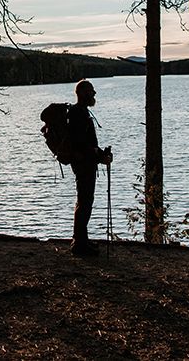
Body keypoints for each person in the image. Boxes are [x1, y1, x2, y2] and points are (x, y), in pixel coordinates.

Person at [67, 79, 112, 257]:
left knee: (85, 201)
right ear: (83, 93)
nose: (94, 94)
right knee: (84, 202)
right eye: (91, 91)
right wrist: (100, 156)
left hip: (86, 163)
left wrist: (100, 155)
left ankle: (81, 240)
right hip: (83, 165)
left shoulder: (81, 112)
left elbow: (86, 144)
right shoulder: (78, 113)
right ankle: (79, 244)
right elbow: (81, 144)